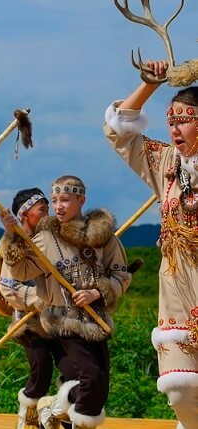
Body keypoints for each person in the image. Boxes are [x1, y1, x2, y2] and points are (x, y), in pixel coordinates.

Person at [104, 60, 198, 428]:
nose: (175, 128)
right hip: (177, 289)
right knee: (179, 389)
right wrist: (150, 84)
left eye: (184, 119)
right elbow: (118, 133)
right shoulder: (165, 163)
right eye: (170, 121)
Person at [0, 176, 131, 429]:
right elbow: (21, 272)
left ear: (81, 200)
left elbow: (121, 275)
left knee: (99, 388)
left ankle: (53, 409)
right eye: (55, 200)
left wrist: (97, 293)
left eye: (65, 200)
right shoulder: (46, 239)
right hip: (63, 322)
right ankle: (50, 411)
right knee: (87, 378)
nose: (58, 207)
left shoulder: (104, 237)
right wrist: (10, 236)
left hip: (96, 320)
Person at [0, 188, 65, 429]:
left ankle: (59, 413)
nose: (49, 215)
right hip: (27, 324)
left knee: (72, 367)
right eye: (43, 210)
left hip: (56, 321)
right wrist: (37, 299)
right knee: (41, 367)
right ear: (25, 214)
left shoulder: (53, 241)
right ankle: (28, 418)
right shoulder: (13, 246)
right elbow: (7, 288)